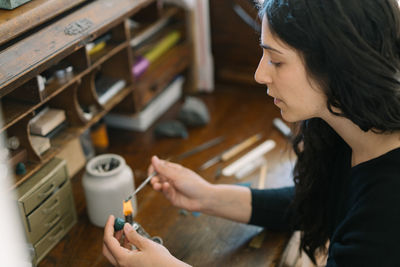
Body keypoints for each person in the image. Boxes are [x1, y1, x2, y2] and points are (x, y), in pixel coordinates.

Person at [103, 0, 400, 266]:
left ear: (340, 65)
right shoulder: (348, 125)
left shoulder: (388, 211)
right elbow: (317, 202)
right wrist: (208, 196)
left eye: (277, 60)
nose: (260, 74)